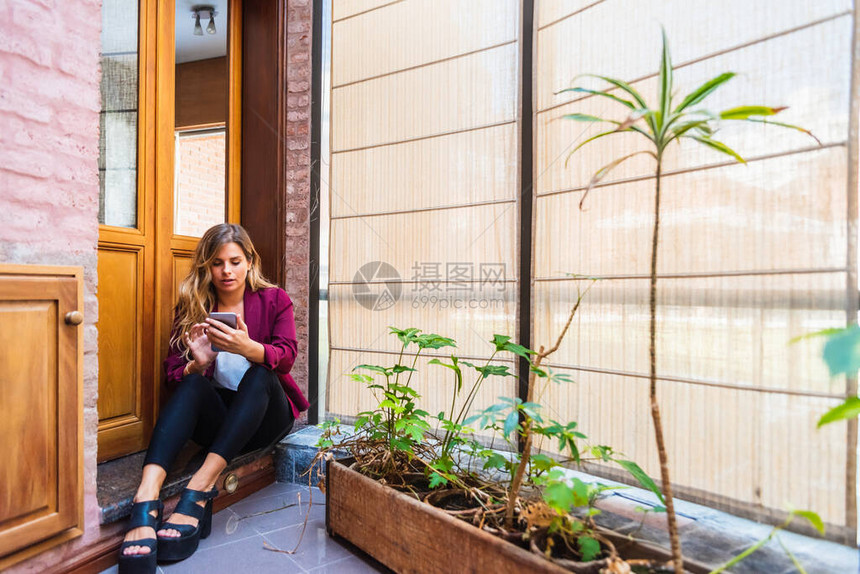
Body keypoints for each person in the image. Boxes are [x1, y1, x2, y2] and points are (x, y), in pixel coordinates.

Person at [117, 223, 309, 573]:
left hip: (266, 418)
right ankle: (147, 494)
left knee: (261, 373)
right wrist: (198, 364)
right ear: (207, 265)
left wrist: (250, 348)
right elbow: (172, 374)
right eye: (217, 263)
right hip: (222, 420)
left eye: (235, 261)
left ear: (249, 261)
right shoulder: (194, 304)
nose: (226, 271)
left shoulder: (274, 300)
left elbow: (287, 356)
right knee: (192, 384)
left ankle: (200, 486)